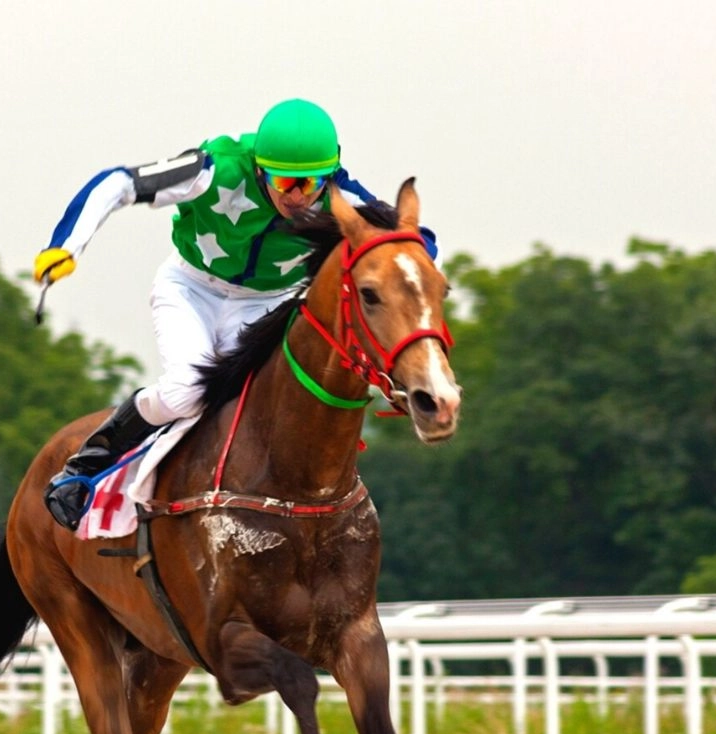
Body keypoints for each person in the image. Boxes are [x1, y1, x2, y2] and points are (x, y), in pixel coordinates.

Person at [32, 98, 437, 531]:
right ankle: (86, 467)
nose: (298, 197)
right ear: (259, 168)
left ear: (330, 172)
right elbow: (118, 183)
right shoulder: (215, 169)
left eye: (311, 182)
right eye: (284, 181)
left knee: (275, 404)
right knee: (187, 391)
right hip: (192, 289)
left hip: (268, 303)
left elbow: (417, 243)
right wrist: (66, 245)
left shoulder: (341, 196)